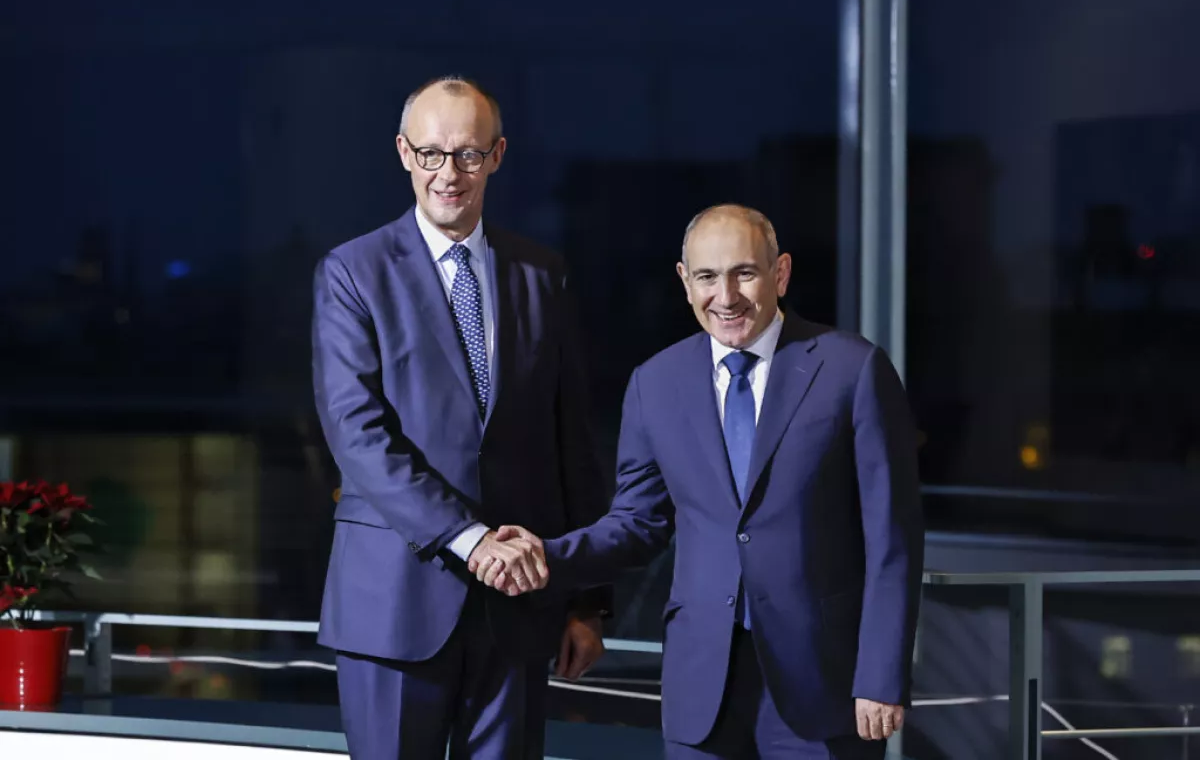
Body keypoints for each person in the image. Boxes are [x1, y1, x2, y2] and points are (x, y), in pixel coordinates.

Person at [482, 205, 924, 758]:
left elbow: (893, 539)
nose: (726, 296)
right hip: (702, 686)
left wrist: (880, 676)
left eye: (745, 273)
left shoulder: (851, 370)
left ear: (781, 273)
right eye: (708, 276)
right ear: (685, 281)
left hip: (825, 686)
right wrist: (548, 555)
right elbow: (637, 524)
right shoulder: (655, 383)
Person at [311, 75, 610, 760]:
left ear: (496, 156)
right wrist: (468, 539)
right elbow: (358, 434)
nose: (449, 173)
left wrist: (586, 600)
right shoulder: (352, 272)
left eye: (469, 154)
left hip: (519, 608)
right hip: (393, 605)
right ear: (403, 153)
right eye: (431, 153)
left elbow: (571, 445)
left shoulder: (543, 274)